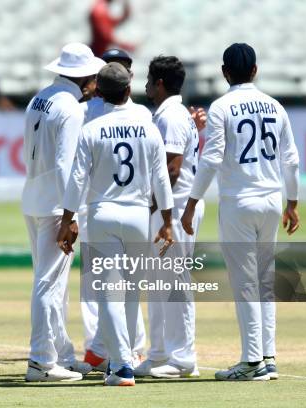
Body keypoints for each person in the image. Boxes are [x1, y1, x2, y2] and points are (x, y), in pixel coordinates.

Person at [181, 43, 300, 381]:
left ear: (224, 72)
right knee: (264, 280)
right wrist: (292, 202)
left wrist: (191, 203)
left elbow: (212, 158)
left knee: (245, 282)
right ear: (255, 70)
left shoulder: (221, 107)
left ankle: (251, 361)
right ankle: (267, 356)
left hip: (238, 202)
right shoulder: (275, 106)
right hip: (271, 199)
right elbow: (291, 159)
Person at [57, 62, 174, 386]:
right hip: (138, 215)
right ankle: (126, 357)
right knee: (133, 293)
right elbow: (162, 178)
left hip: (101, 214)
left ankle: (120, 365)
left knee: (108, 293)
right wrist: (167, 221)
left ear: (99, 91)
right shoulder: (147, 126)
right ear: (128, 90)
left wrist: (67, 220)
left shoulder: (91, 129)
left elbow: (76, 179)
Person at [22, 43, 105, 382]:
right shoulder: (70, 108)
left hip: (33, 197)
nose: (96, 82)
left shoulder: (40, 97)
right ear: (84, 77)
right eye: (93, 76)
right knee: (48, 284)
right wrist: (70, 217)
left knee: (52, 284)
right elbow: (64, 165)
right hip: (56, 205)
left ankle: (61, 355)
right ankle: (41, 362)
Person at [78, 48, 149, 372]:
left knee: (106, 286)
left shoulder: (90, 116)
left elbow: (76, 171)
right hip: (132, 209)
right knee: (113, 286)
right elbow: (160, 173)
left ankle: (117, 353)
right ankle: (105, 349)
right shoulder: (142, 117)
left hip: (99, 208)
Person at [134, 55, 204, 378]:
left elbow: (172, 170)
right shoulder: (170, 113)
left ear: (159, 83)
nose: (145, 85)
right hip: (169, 208)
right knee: (160, 282)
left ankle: (183, 358)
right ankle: (161, 353)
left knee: (175, 281)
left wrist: (152, 209)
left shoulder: (171, 116)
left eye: (149, 80)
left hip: (173, 209)